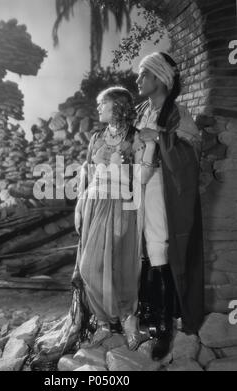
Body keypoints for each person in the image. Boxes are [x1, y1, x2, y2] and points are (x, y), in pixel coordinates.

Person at [71, 86, 157, 351]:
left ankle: (130, 323)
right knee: (89, 268)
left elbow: (142, 178)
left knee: (122, 266)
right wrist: (79, 205)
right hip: (93, 204)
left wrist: (151, 145)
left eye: (102, 104)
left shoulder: (135, 137)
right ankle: (103, 322)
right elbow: (86, 172)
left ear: (117, 107)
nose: (98, 108)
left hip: (122, 205)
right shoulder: (96, 136)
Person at [134, 52, 204, 361]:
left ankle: (163, 329)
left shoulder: (177, 113)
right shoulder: (139, 111)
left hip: (163, 191)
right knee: (141, 251)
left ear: (159, 79)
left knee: (160, 249)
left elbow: (190, 151)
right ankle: (146, 315)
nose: (138, 80)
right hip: (136, 188)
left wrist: (159, 136)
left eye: (143, 75)